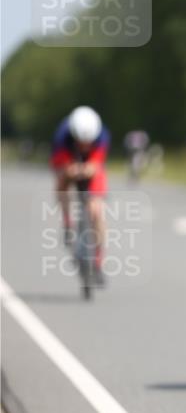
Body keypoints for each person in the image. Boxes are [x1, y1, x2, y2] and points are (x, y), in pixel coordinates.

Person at [50, 106, 110, 286]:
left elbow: (97, 162)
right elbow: (58, 163)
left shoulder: (102, 135)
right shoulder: (62, 135)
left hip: (90, 164)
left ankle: (98, 262)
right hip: (69, 159)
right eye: (81, 141)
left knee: (97, 211)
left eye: (88, 142)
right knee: (62, 182)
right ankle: (67, 221)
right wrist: (69, 169)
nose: (85, 145)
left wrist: (90, 168)